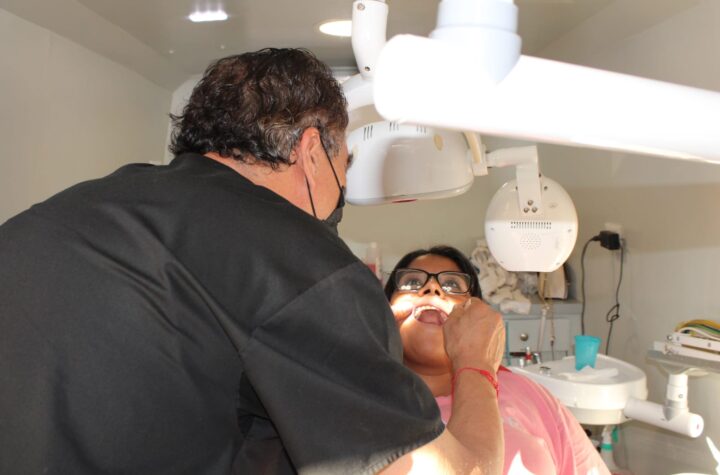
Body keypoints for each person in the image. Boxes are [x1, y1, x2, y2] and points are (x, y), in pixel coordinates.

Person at [0, 49, 505, 474]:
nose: (342, 191)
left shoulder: (69, 212)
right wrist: (476, 365)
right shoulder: (304, 266)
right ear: (312, 151)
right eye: (344, 168)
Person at [385, 245, 612, 475]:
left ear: (477, 315)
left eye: (452, 284)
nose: (432, 288)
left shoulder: (531, 395)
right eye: (412, 283)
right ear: (384, 312)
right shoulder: (370, 406)